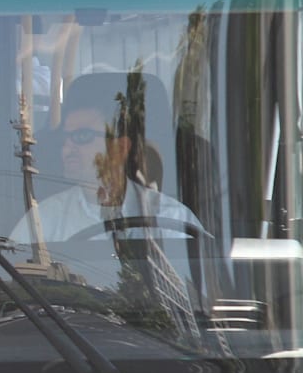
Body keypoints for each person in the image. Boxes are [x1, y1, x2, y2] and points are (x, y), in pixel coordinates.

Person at [10, 76, 201, 246]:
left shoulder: (172, 218)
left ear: (120, 148)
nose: (67, 149)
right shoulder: (43, 221)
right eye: (64, 139)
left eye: (82, 136)